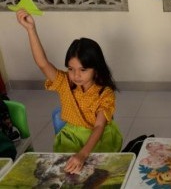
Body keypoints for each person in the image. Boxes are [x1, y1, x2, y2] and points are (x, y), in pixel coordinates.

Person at [16, 9, 123, 174]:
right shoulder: (64, 81)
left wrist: (83, 154)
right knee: (69, 175)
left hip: (99, 139)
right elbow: (43, 63)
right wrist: (31, 29)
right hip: (70, 137)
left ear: (96, 68)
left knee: (99, 173)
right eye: (71, 69)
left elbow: (99, 126)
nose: (76, 75)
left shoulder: (105, 93)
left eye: (83, 69)